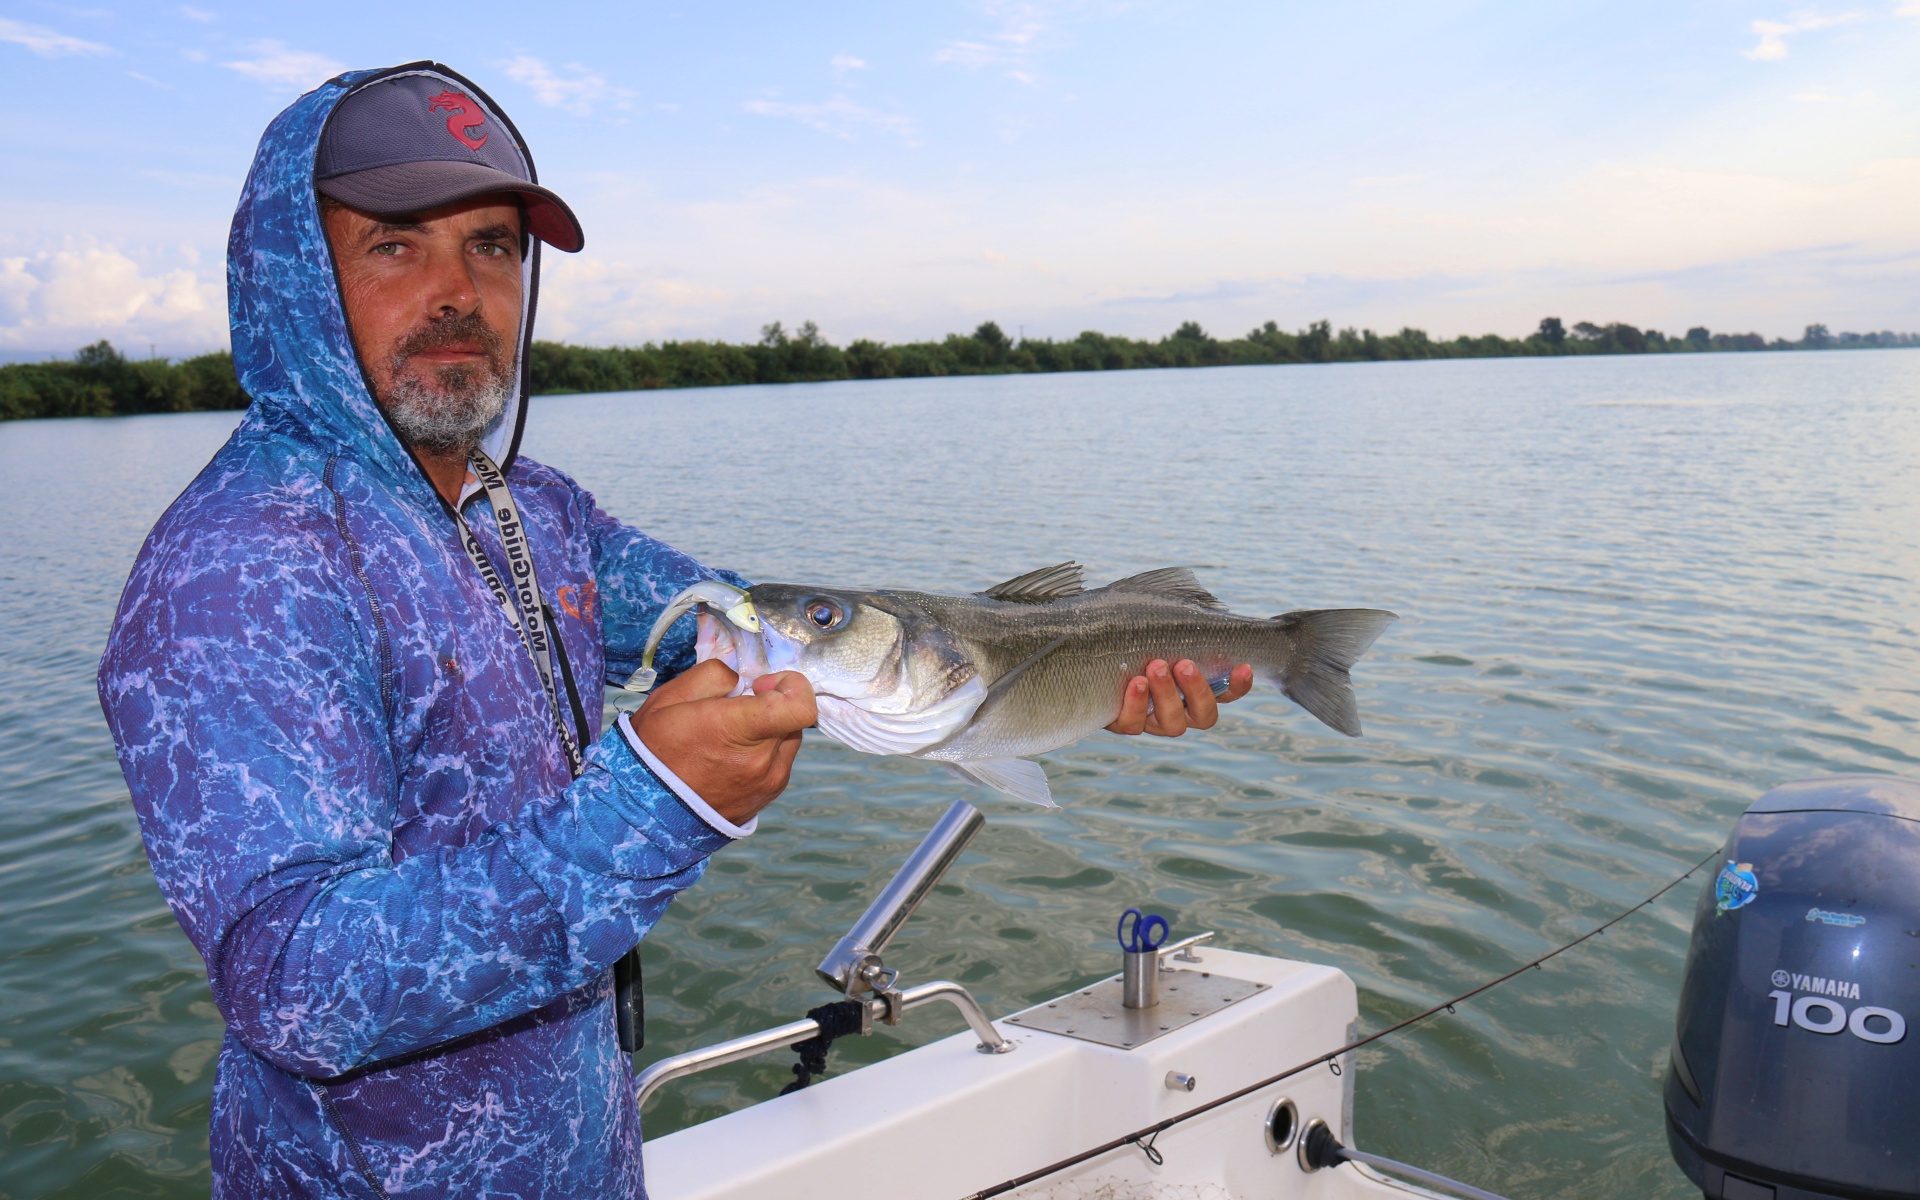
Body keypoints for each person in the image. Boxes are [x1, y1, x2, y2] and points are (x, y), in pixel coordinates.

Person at [97, 61, 1250, 1198]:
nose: (459, 291)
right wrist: (652, 804)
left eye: (491, 246)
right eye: (396, 245)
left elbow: (739, 619)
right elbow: (297, 985)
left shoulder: (527, 507)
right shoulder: (234, 573)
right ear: (296, 275)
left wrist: (1041, 681)